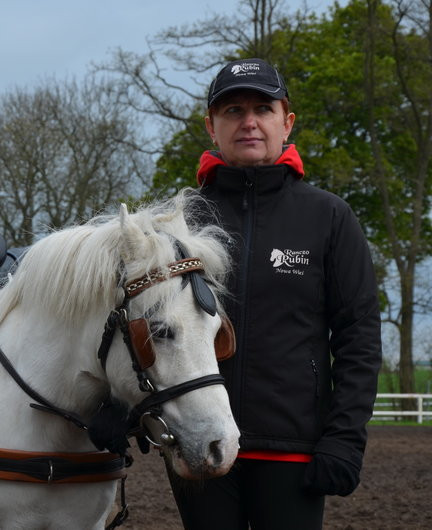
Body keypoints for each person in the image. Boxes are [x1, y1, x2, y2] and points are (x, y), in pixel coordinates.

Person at [167, 58, 383, 529]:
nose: (249, 122)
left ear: (286, 123)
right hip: (200, 442)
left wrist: (345, 439)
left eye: (262, 109)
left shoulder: (330, 218)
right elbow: (142, 325)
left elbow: (359, 337)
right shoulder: (178, 222)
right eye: (233, 110)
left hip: (293, 450)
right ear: (211, 127)